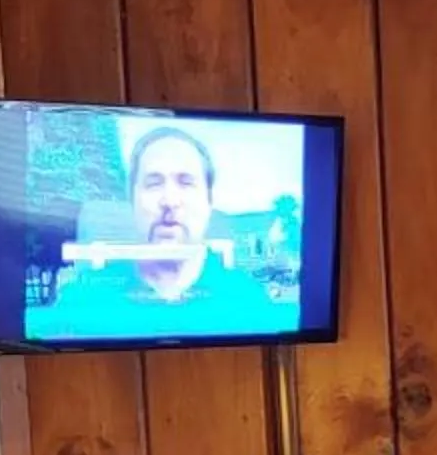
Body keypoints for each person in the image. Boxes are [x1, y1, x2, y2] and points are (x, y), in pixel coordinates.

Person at [35, 121, 291, 342]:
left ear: (208, 202)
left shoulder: (249, 300)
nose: (169, 201)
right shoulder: (82, 302)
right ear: (132, 201)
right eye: (153, 183)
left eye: (186, 182)